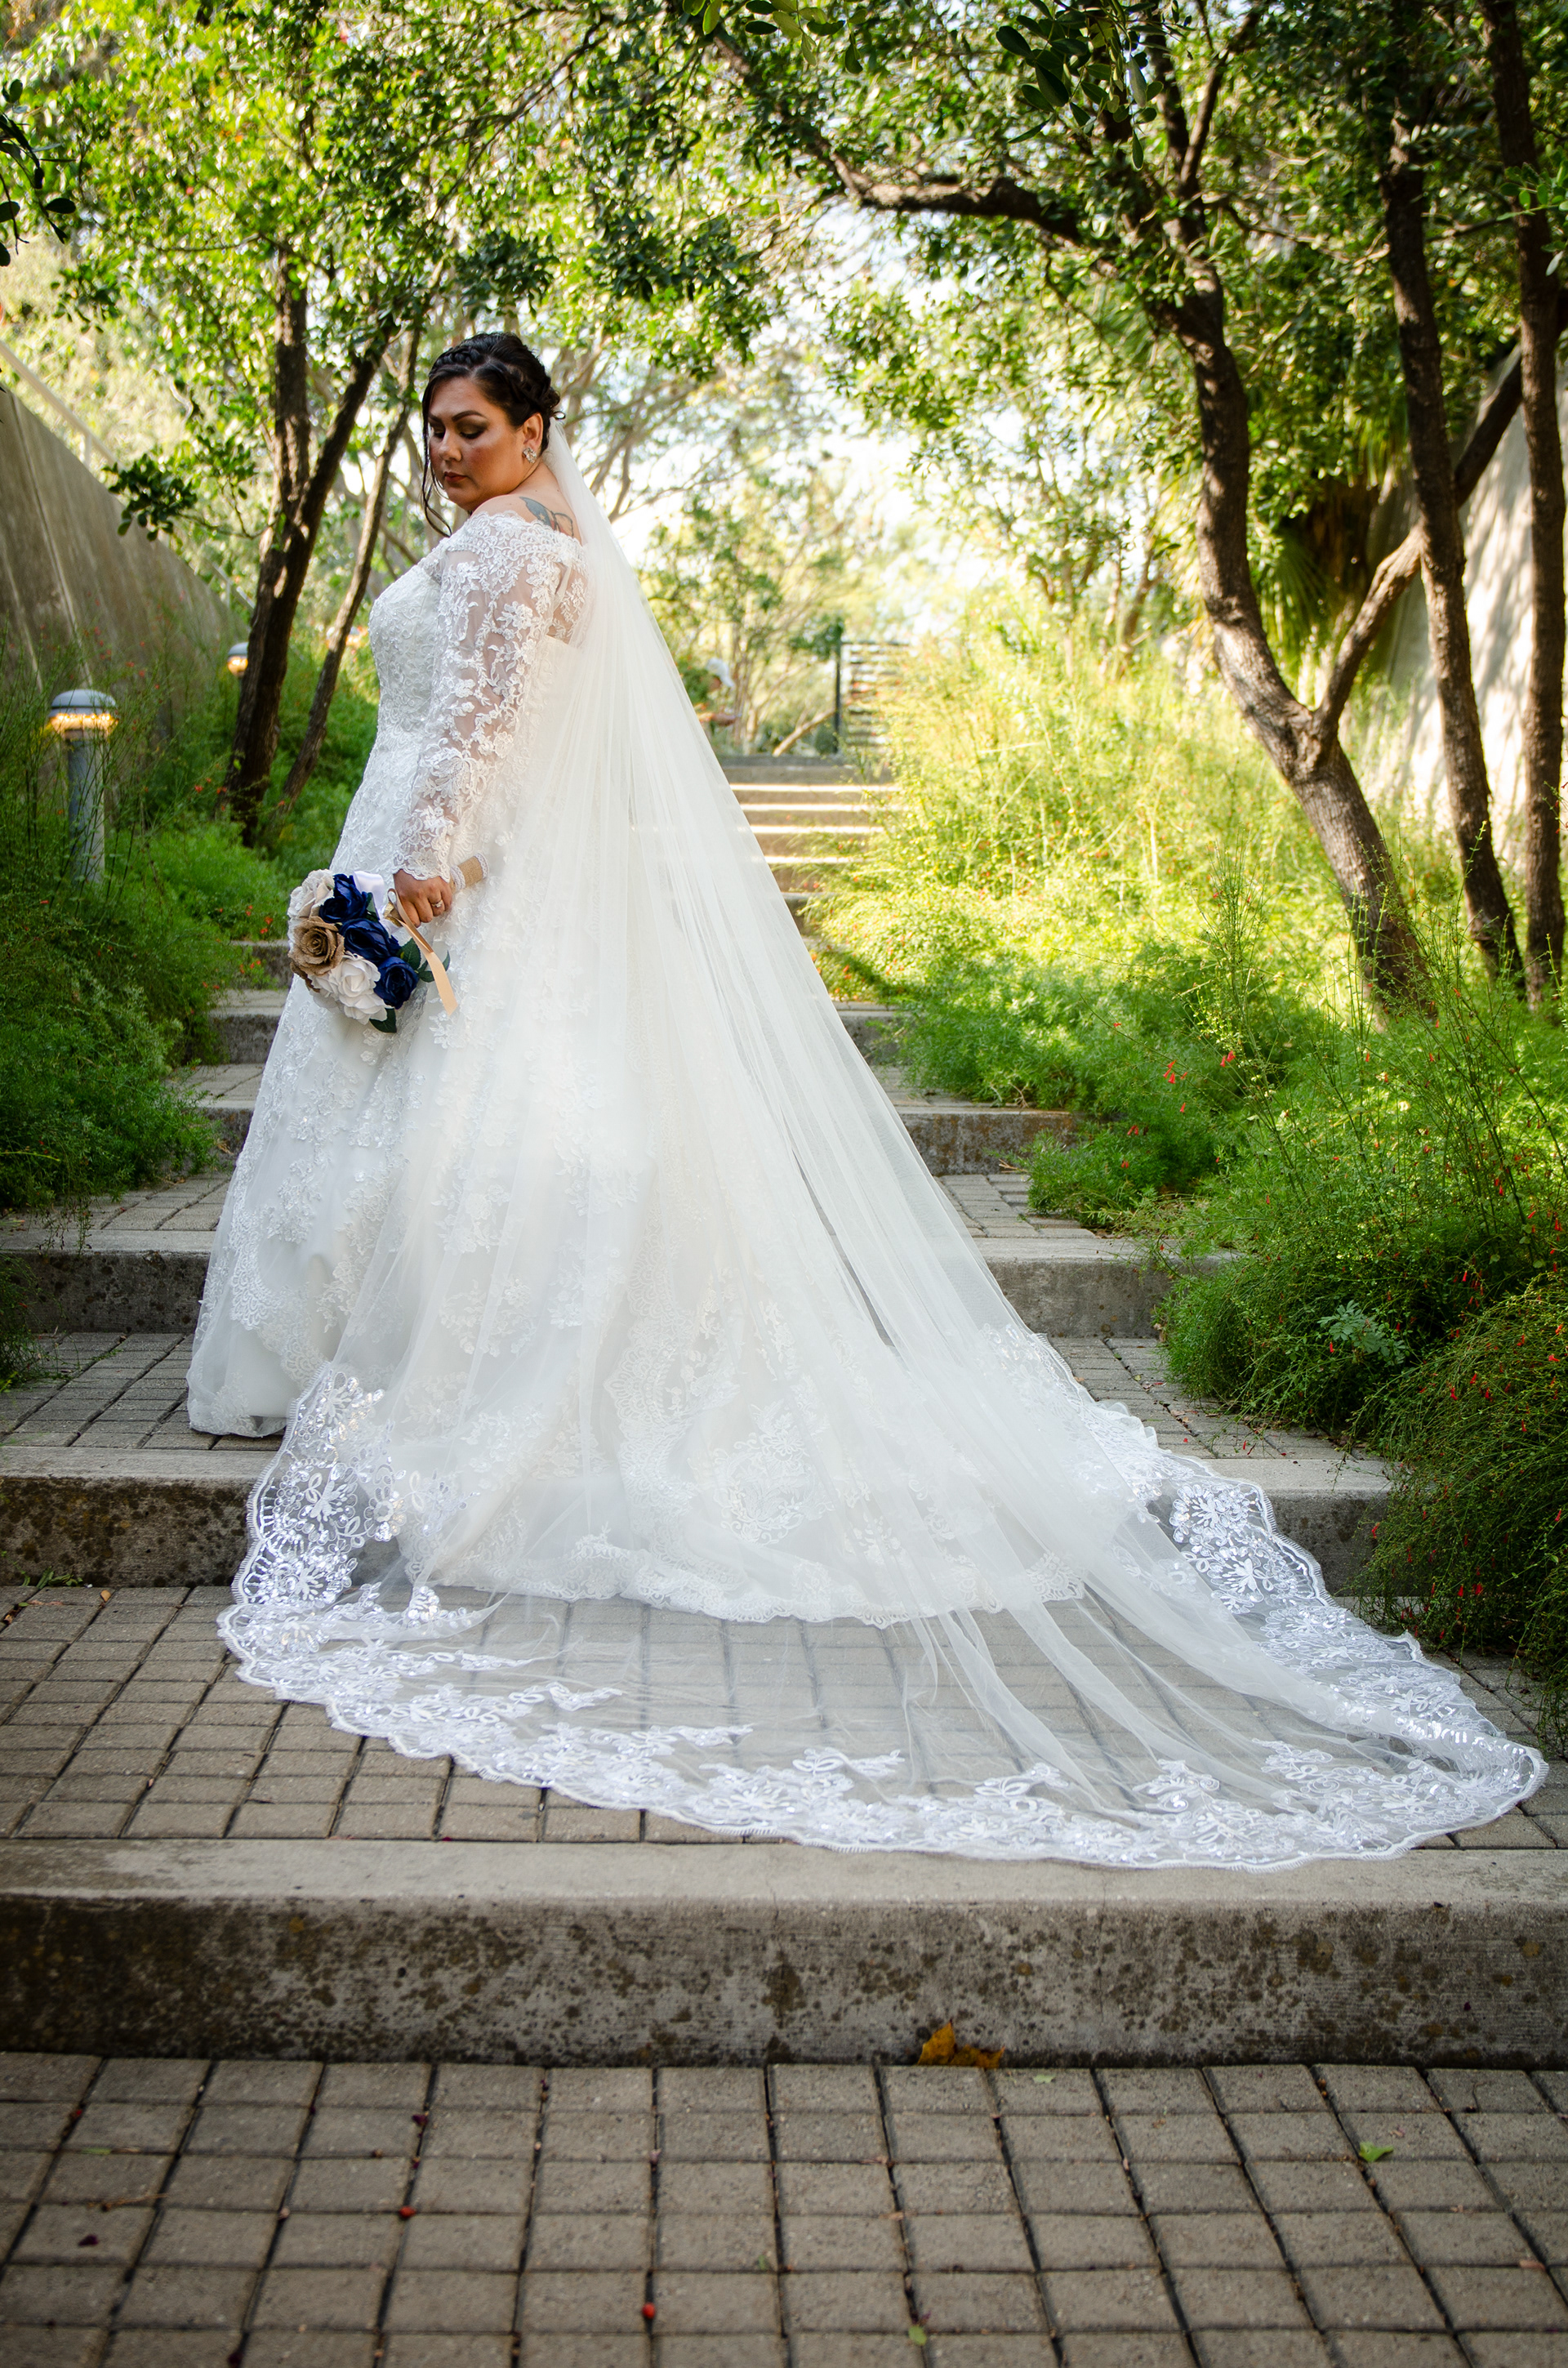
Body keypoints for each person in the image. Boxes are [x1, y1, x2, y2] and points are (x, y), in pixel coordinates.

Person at [189, 333, 1541, 1864]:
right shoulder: (551, 547)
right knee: (459, 1114)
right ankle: (405, 1348)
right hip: (497, 861)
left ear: (536, 431)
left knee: (452, 1119)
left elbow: (483, 726)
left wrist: (421, 866)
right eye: (436, 427)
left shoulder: (509, 552)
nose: (448, 449)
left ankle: (398, 1366)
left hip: (445, 858)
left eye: (474, 426)